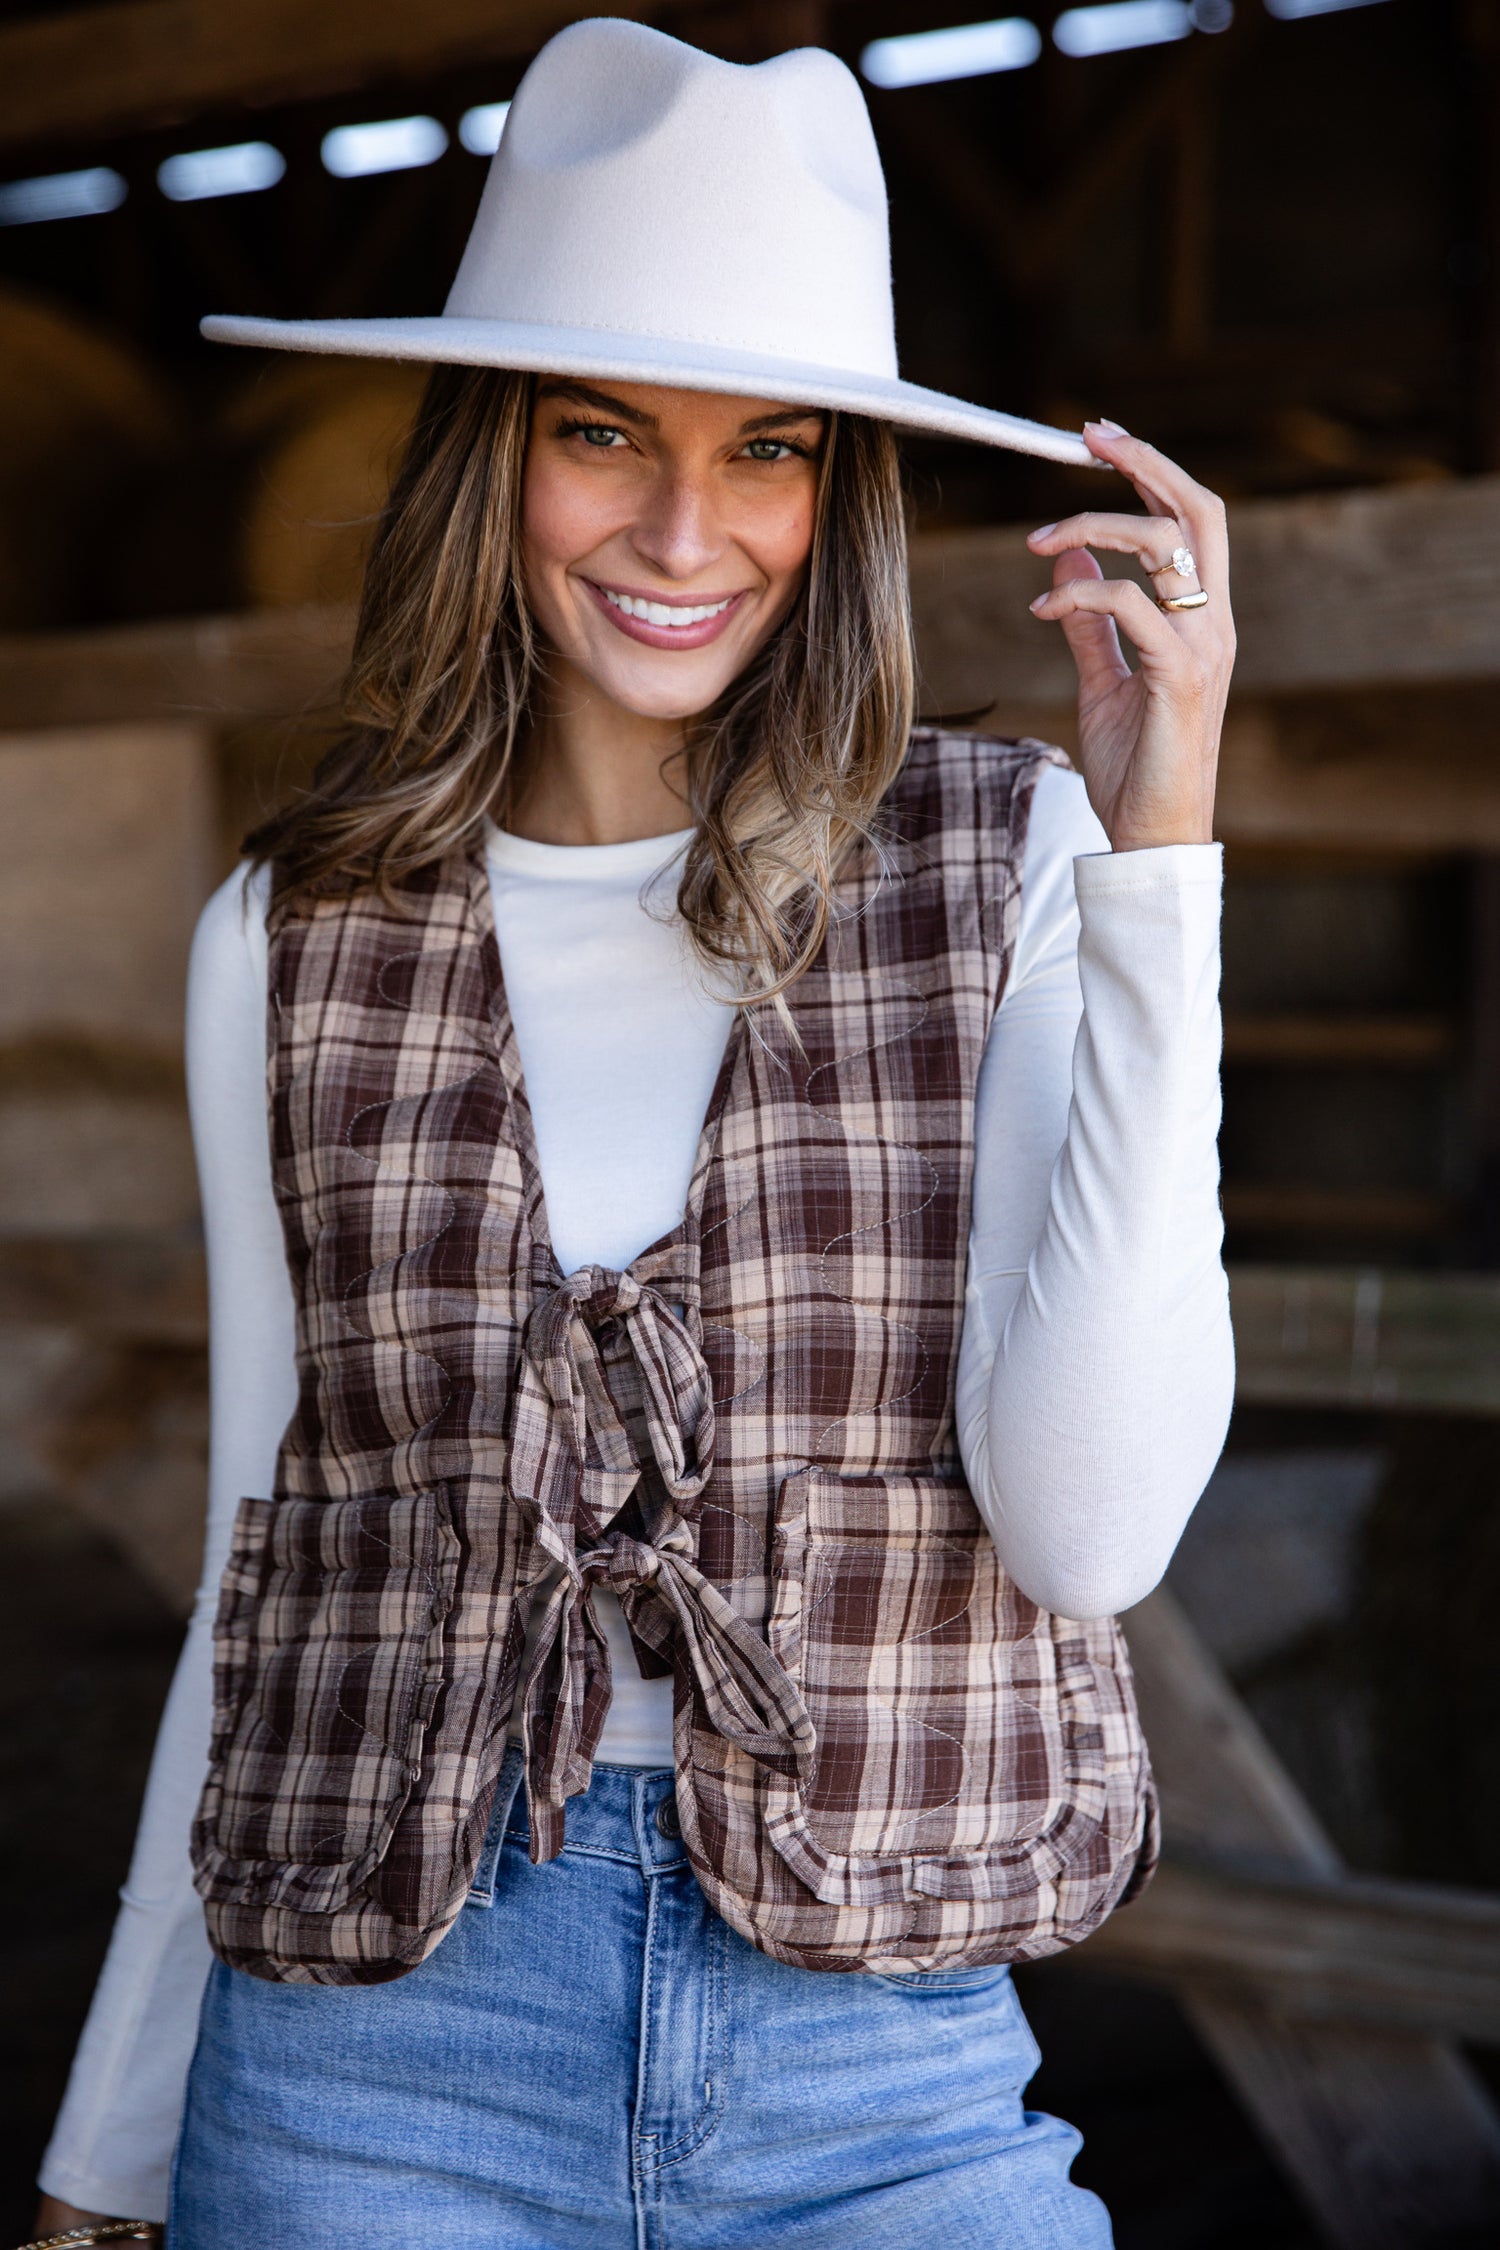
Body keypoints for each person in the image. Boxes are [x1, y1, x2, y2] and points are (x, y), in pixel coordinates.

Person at [34, 19, 1234, 2247]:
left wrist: (1161, 862)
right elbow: (258, 1565)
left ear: (835, 490)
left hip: (879, 2075)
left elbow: (1091, 1536)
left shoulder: (1010, 865)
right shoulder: (289, 936)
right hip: (369, 2067)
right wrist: (108, 2149)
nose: (691, 532)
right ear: (489, 457)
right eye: (604, 434)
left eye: (768, 450)